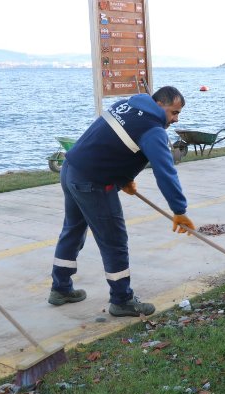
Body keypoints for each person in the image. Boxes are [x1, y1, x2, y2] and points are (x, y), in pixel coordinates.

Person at [49, 86, 195, 317]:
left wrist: (124, 179)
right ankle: (122, 300)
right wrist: (179, 210)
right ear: (159, 105)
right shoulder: (154, 130)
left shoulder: (126, 105)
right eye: (173, 112)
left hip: (71, 170)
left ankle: (61, 288)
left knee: (73, 230)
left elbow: (113, 144)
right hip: (93, 183)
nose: (175, 119)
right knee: (114, 241)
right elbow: (165, 172)